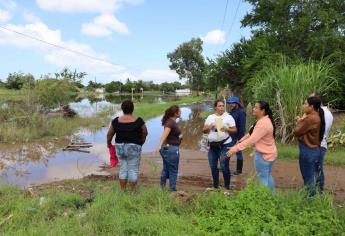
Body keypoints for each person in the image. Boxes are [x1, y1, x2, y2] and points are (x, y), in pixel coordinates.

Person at [227, 101, 277, 192]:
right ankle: (272, 197)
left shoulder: (263, 124)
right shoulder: (263, 120)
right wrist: (240, 141)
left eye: (256, 107)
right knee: (267, 176)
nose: (253, 109)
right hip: (269, 154)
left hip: (264, 156)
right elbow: (251, 134)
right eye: (254, 107)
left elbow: (252, 140)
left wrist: (235, 149)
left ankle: (264, 201)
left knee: (262, 180)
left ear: (262, 111)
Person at [107, 100, 148, 192]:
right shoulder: (139, 120)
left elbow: (109, 134)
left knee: (123, 169)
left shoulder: (116, 121)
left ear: (122, 109)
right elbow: (145, 132)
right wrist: (141, 142)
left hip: (120, 147)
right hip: (134, 147)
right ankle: (132, 191)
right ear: (132, 109)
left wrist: (109, 144)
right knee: (133, 169)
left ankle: (123, 191)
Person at [294, 96, 325, 196]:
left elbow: (297, 131)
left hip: (307, 150)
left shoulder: (310, 118)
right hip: (314, 149)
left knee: (308, 176)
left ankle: (310, 200)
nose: (303, 106)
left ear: (311, 106)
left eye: (305, 104)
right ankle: (315, 196)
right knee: (314, 174)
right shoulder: (316, 116)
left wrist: (299, 122)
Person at [203, 99, 237, 190]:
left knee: (224, 165)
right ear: (215, 107)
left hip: (225, 144)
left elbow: (234, 130)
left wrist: (226, 129)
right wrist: (210, 126)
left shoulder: (228, 117)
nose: (222, 107)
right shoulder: (210, 117)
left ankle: (226, 187)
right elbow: (204, 130)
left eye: (223, 106)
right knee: (213, 166)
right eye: (219, 106)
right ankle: (216, 187)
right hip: (213, 146)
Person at [311, 93, 333, 193]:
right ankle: (316, 190)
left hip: (319, 145)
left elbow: (319, 131)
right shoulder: (323, 112)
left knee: (317, 169)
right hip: (319, 144)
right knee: (316, 168)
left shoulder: (323, 113)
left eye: (311, 99)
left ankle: (318, 191)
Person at [158, 105, 182, 192]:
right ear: (175, 113)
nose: (180, 112)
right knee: (173, 170)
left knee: (166, 169)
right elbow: (165, 134)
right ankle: (172, 190)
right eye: (179, 111)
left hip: (169, 148)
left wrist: (179, 136)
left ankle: (162, 189)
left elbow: (172, 134)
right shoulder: (170, 123)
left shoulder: (171, 121)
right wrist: (160, 145)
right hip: (171, 149)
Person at [227, 96, 246, 175]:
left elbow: (242, 126)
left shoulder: (241, 112)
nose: (231, 104)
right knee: (227, 150)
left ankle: (239, 170)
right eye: (230, 103)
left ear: (237, 103)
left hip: (238, 136)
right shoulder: (232, 111)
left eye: (232, 103)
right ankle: (224, 166)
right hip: (231, 135)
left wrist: (240, 139)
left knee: (238, 152)